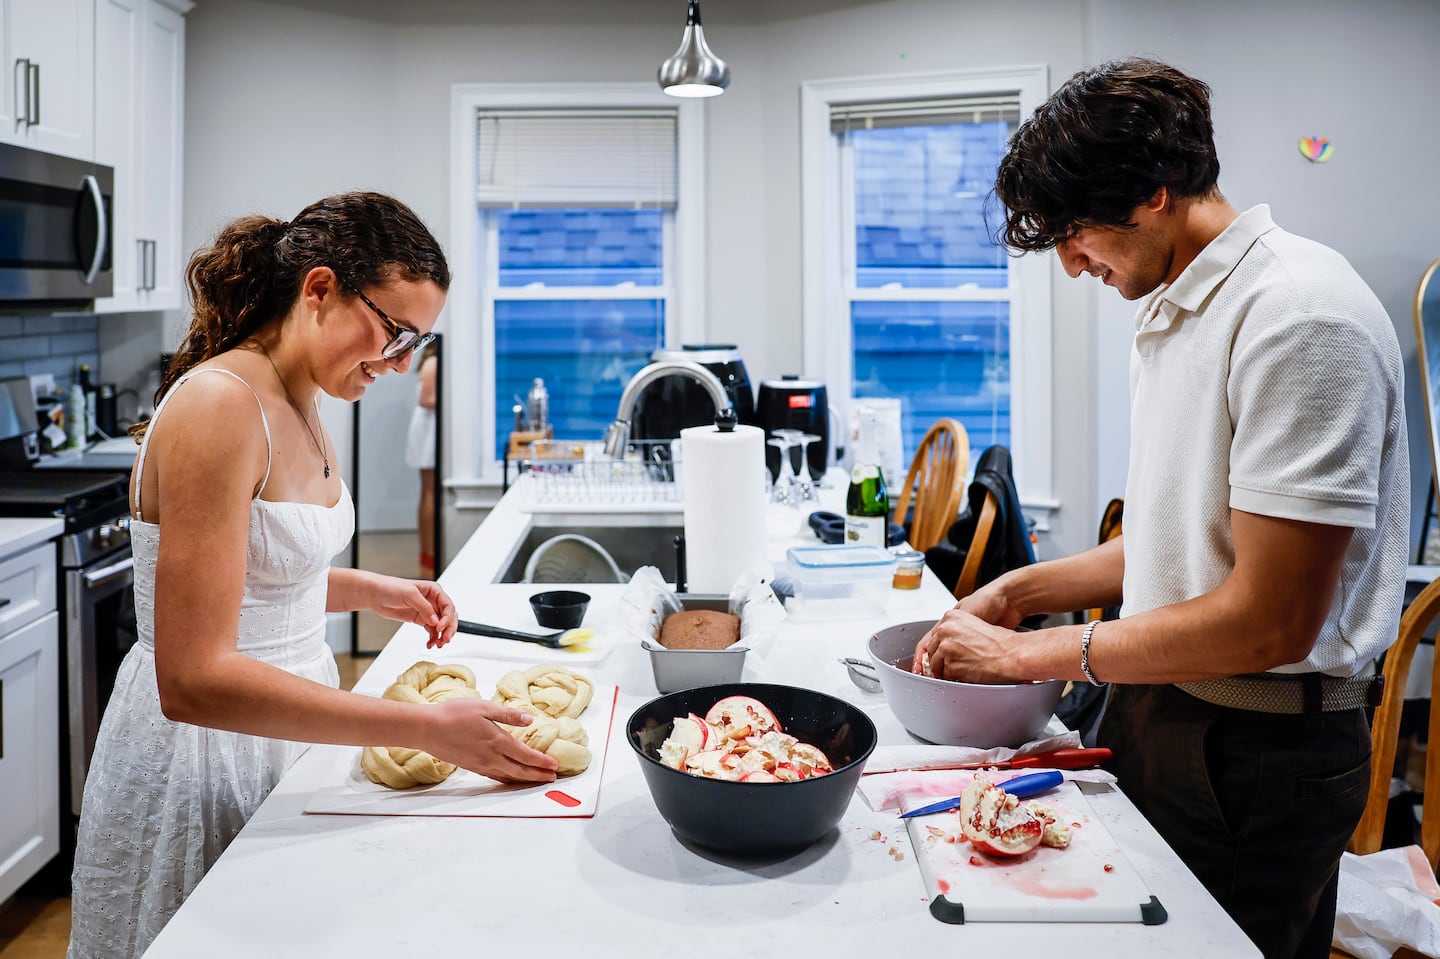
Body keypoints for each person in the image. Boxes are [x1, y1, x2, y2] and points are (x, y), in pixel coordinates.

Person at [912, 58, 1407, 959]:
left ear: (1155, 194)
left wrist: (1029, 652)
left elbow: (1268, 621)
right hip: (1169, 706)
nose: (1070, 263)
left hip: (1260, 747)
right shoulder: (1179, 309)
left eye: (1074, 232)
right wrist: (1016, 591)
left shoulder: (1300, 317)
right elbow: (1172, 543)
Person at [68, 192, 560, 959]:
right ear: (321, 288)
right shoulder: (220, 407)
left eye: (416, 346)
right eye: (395, 333)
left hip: (282, 728)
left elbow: (250, 576)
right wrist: (429, 728)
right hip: (205, 754)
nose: (400, 364)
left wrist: (370, 590)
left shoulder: (300, 394)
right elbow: (193, 676)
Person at [406, 348, 439, 576]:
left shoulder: (429, 361)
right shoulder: (435, 362)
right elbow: (426, 399)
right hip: (428, 430)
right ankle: (428, 551)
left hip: (427, 428)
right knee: (429, 490)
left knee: (428, 490)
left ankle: (428, 551)